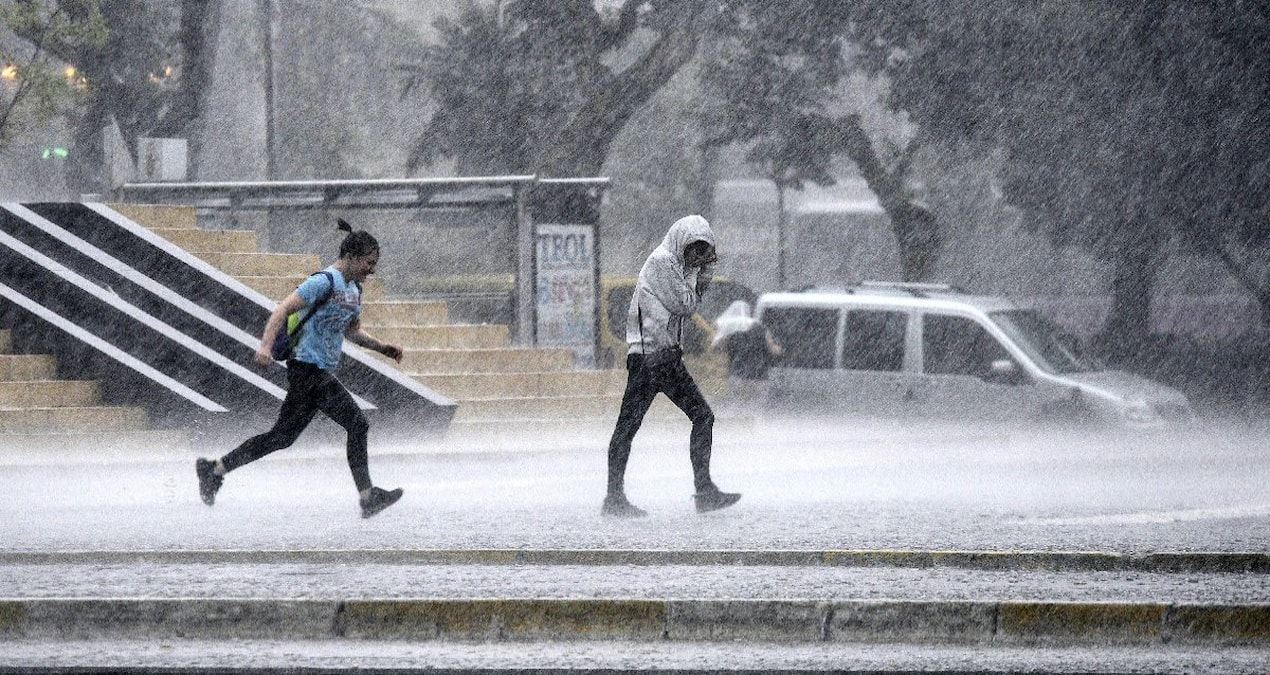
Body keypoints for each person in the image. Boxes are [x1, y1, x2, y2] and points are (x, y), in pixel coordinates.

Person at [195, 219, 406, 519]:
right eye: (369, 262)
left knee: (281, 437)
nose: (372, 269)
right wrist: (265, 346)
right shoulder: (323, 281)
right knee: (357, 424)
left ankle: (214, 469)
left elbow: (351, 332)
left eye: (374, 263)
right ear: (351, 256)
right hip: (307, 369)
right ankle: (368, 496)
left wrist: (383, 348)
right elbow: (282, 308)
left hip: (316, 372)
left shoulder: (354, 290)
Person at [602, 214, 741, 518]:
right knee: (689, 418)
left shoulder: (677, 265)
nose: (696, 257)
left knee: (636, 424)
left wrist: (705, 269)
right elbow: (687, 305)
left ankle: (616, 496)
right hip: (651, 357)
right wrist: (701, 271)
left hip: (662, 355)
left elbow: (689, 300)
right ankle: (619, 496)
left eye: (702, 251)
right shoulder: (663, 262)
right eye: (694, 249)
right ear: (682, 242)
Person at [711, 300, 783, 408]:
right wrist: (782, 350)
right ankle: (754, 424)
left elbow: (717, 347)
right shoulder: (760, 328)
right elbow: (773, 349)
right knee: (756, 409)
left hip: (737, 376)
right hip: (759, 378)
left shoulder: (730, 330)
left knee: (738, 407)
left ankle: (740, 424)